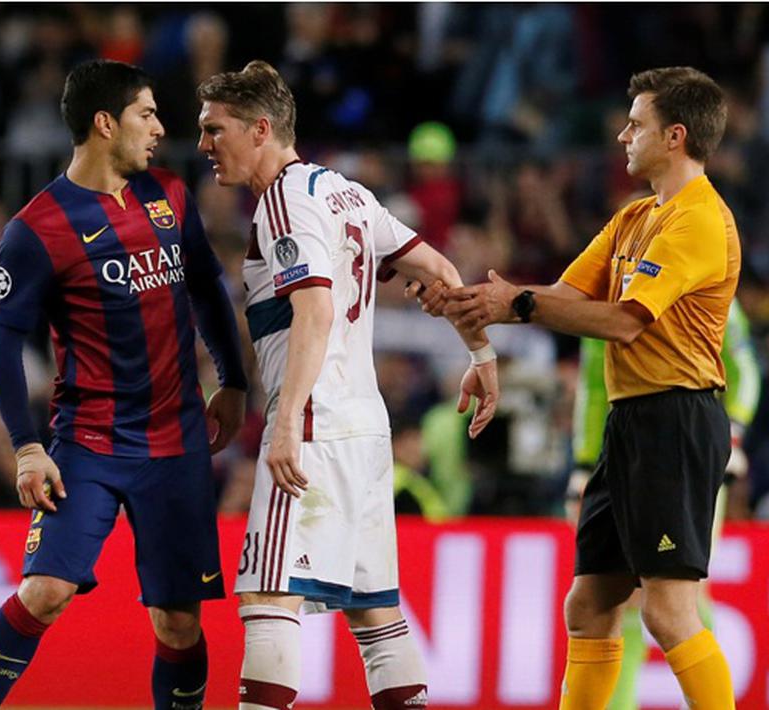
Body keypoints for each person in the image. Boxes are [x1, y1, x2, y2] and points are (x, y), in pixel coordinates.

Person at [429, 66, 740, 709]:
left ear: (676, 136)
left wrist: (511, 304)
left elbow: (623, 323)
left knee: (669, 611)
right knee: (590, 602)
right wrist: (476, 306)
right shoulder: (634, 219)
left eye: (637, 124)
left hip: (675, 418)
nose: (623, 134)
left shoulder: (699, 221)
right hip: (629, 423)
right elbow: (564, 298)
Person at [195, 60, 499, 710]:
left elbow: (315, 308)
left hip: (314, 425)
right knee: (375, 614)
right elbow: (440, 270)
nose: (203, 146)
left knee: (267, 594)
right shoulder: (347, 193)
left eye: (213, 129)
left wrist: (284, 422)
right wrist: (481, 351)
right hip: (366, 432)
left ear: (259, 128)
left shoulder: (282, 201)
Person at [0, 59, 249, 710]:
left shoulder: (170, 194)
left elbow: (204, 285)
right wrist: (27, 446)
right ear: (103, 123)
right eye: (146, 114)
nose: (159, 128)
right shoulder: (36, 229)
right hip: (87, 444)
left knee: (178, 621)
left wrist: (231, 379)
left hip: (176, 443)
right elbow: (3, 341)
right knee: (45, 592)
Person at [567, 299, 760, 710]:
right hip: (621, 452)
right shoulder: (606, 286)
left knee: (675, 598)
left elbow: (744, 369)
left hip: (685, 448)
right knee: (609, 597)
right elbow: (594, 385)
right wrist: (584, 465)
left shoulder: (698, 278)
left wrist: (735, 432)